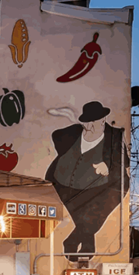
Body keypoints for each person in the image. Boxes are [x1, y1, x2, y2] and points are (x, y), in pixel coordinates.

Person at [45, 101, 129, 254]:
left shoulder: (114, 136)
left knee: (94, 216)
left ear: (103, 120)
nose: (92, 124)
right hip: (64, 184)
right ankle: (86, 246)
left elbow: (124, 161)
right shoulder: (76, 132)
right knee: (82, 216)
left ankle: (72, 242)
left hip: (101, 187)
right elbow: (56, 135)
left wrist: (108, 166)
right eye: (88, 121)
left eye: (96, 120)